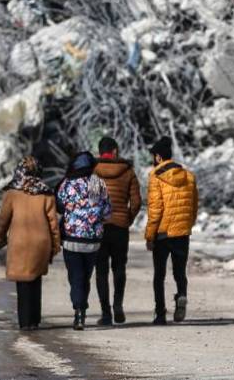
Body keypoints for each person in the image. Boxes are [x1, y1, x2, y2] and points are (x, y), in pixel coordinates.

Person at [0, 156, 61, 331]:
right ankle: (34, 319)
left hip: (19, 243)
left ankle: (25, 321)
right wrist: (55, 244)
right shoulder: (45, 193)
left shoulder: (11, 194)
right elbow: (53, 223)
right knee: (35, 279)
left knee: (22, 282)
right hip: (41, 243)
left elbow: (3, 220)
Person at [144, 137, 198, 325]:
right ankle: (181, 294)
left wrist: (149, 236)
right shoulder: (189, 176)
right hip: (182, 233)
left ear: (158, 157)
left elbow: (156, 209)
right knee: (179, 272)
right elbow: (193, 207)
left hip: (162, 234)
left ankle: (160, 314)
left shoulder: (156, 176)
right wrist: (187, 225)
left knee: (159, 275)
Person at [56, 151, 112, 330]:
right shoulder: (99, 183)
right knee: (85, 277)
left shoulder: (67, 184)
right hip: (93, 241)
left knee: (76, 277)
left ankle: (79, 311)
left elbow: (59, 206)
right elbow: (107, 212)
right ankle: (81, 311)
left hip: (71, 239)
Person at [93, 136, 142, 325]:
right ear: (115, 151)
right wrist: (128, 218)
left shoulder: (93, 170)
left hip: (100, 226)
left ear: (100, 152)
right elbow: (136, 201)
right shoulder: (128, 171)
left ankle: (106, 313)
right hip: (120, 227)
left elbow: (89, 198)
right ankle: (118, 305)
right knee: (119, 267)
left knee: (101, 271)